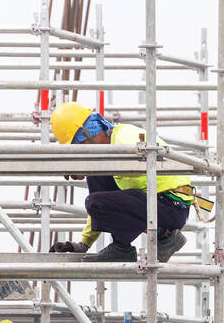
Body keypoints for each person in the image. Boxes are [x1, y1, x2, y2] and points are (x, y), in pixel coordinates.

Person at [46, 101, 193, 264]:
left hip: (171, 204)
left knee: (96, 198)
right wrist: (83, 244)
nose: (81, 153)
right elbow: (105, 201)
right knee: (96, 180)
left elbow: (132, 186)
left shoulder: (124, 139)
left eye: (78, 147)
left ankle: (163, 235)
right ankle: (121, 247)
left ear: (88, 134)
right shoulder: (111, 148)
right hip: (156, 202)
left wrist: (87, 166)